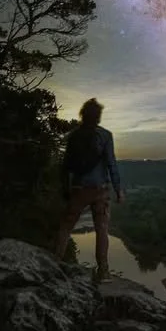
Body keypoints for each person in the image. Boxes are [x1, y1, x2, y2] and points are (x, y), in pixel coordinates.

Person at [55, 98, 124, 281]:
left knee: (65, 226)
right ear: (98, 117)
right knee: (102, 229)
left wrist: (65, 188)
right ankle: (103, 271)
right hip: (100, 189)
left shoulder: (73, 136)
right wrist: (118, 189)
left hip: (78, 189)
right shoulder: (105, 136)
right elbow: (111, 163)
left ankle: (55, 263)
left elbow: (66, 166)